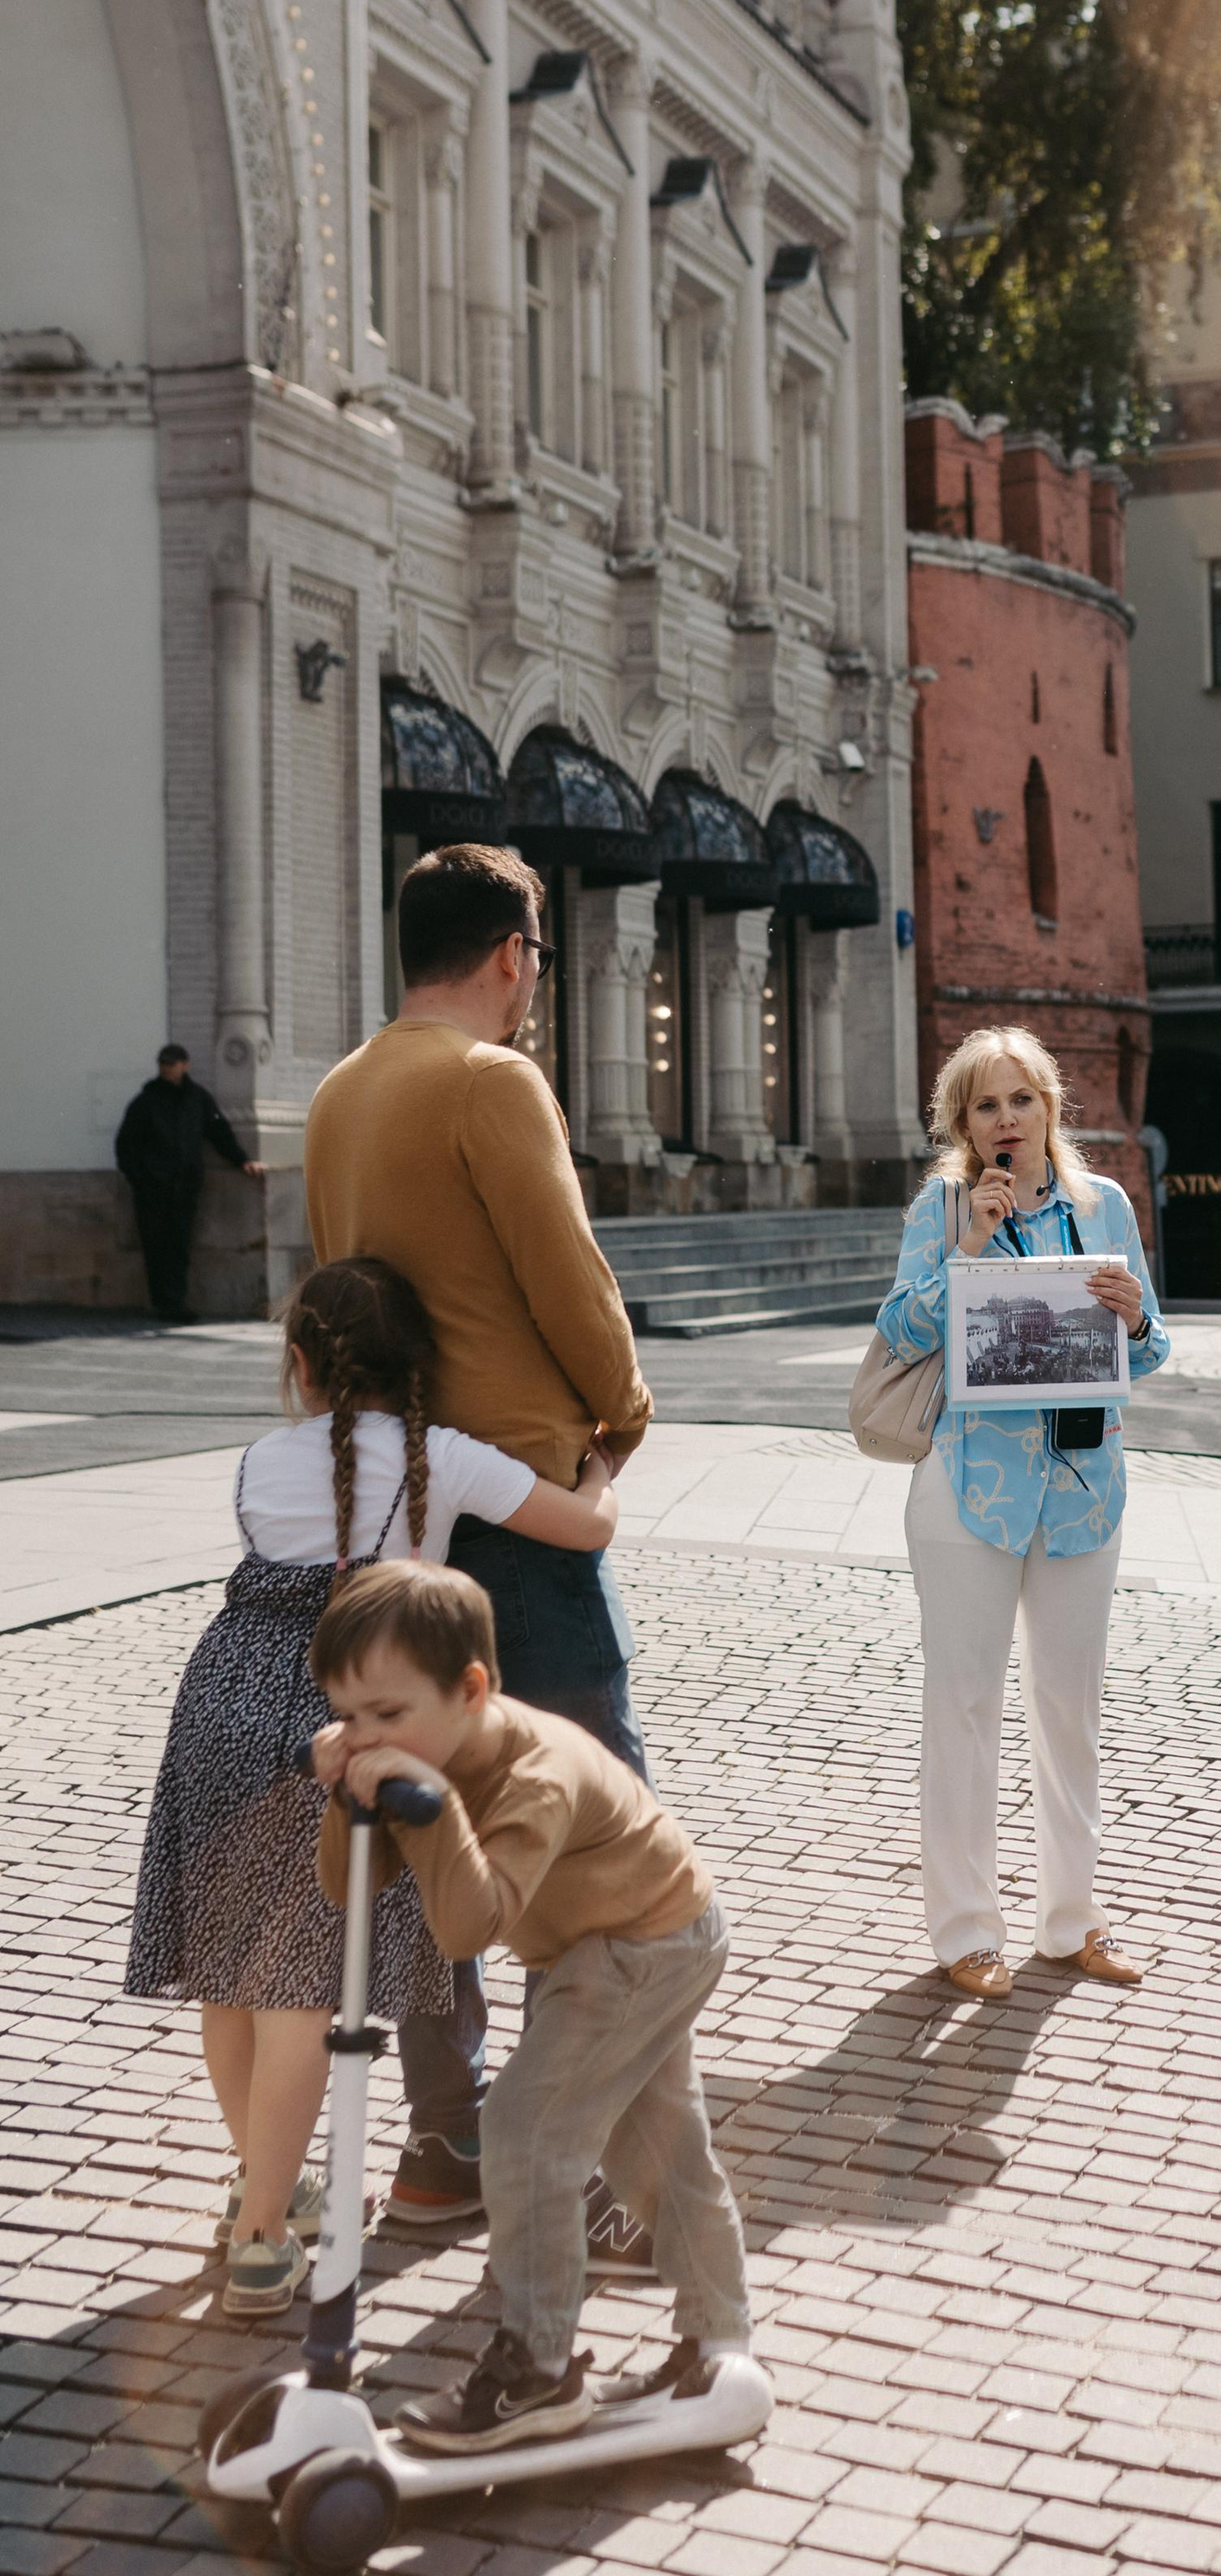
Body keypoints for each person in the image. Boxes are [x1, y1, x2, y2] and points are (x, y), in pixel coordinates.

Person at [123, 1258, 617, 2319]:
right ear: (423, 1366)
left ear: (299, 1366)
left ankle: (268, 2191)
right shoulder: (447, 1459)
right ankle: (260, 2237)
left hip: (219, 1702)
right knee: (303, 1987)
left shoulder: (259, 1459)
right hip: (343, 1720)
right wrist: (599, 1467)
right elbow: (589, 1528)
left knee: (229, 1976)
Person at [304, 841, 654, 2234]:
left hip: (396, 1514)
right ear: (512, 955)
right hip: (519, 1505)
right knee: (589, 1841)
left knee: (422, 1833)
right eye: (538, 963)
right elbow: (568, 1275)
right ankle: (600, 2168)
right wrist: (625, 1405)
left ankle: (444, 2146)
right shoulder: (492, 1082)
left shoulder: (340, 1092)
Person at [310, 1559, 762, 2448]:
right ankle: (721, 2341)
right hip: (599, 1945)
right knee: (659, 2148)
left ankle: (538, 2370)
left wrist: (430, 1808)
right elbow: (343, 1886)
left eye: (388, 1715)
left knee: (525, 2130)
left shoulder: (534, 1776)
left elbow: (467, 1930)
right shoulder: (424, 1754)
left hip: (649, 1941)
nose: (366, 1737)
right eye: (349, 1717)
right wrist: (347, 1792)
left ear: (471, 1688)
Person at [874, 1026, 1170, 1998]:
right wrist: (961, 1251)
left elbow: (1153, 1348)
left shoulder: (1104, 1206)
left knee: (1069, 1709)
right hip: (969, 1490)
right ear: (962, 1124)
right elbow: (900, 1329)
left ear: (1050, 1107)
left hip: (1083, 1492)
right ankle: (964, 1929)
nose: (1007, 1121)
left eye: (1022, 1100)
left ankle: (1071, 1918)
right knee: (962, 1709)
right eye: (985, 1106)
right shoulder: (946, 1204)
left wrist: (1133, 1315)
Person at [114, 1044, 266, 1324]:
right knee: (155, 1245)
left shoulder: (197, 1099)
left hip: (184, 1187)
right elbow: (126, 1145)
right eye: (163, 1063)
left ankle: (174, 1302)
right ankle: (165, 1303)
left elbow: (219, 1132)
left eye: (172, 1063)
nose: (166, 1068)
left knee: (179, 1245)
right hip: (153, 1190)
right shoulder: (146, 1101)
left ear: (186, 1065)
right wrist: (141, 1179)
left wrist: (242, 1160)